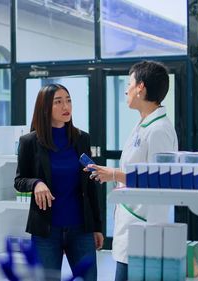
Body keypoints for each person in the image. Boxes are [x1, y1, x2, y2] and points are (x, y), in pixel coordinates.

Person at [85, 61, 178, 281]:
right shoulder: (143, 124)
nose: (126, 90)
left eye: (129, 83)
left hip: (145, 228)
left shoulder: (159, 130)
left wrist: (115, 175)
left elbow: (160, 180)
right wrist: (114, 173)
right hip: (132, 226)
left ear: (141, 88)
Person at [14, 83, 103, 281]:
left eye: (68, 100)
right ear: (45, 107)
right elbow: (20, 180)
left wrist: (96, 226)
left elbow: (90, 185)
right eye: (59, 102)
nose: (66, 106)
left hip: (81, 229)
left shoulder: (82, 139)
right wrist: (36, 183)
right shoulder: (29, 142)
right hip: (46, 232)